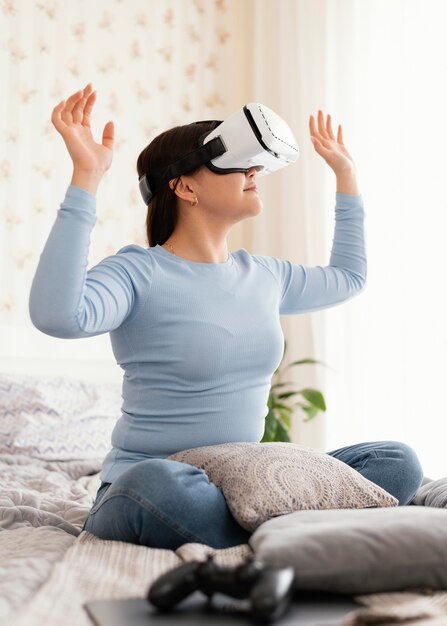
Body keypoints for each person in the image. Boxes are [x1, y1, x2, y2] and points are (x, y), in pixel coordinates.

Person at [29, 83, 423, 550]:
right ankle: (289, 531)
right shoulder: (138, 271)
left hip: (243, 479)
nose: (254, 170)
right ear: (184, 186)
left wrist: (346, 175)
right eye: (238, 162)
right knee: (159, 486)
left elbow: (348, 277)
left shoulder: (264, 275)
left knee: (395, 462)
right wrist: (86, 177)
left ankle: (260, 529)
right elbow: (59, 316)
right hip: (155, 484)